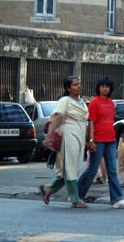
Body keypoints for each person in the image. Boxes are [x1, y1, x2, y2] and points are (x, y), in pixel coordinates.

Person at [77, 77, 124, 209]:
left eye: (107, 86)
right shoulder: (94, 102)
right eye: (102, 86)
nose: (105, 88)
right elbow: (90, 123)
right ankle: (76, 194)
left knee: (112, 170)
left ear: (110, 88)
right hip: (98, 140)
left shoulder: (111, 103)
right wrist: (90, 141)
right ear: (99, 87)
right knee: (92, 170)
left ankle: (117, 199)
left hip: (111, 140)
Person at [39, 76, 89, 208]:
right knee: (70, 168)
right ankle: (75, 199)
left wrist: (89, 141)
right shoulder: (65, 101)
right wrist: (49, 136)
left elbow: (85, 123)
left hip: (79, 138)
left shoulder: (82, 102)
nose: (79, 86)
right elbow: (57, 118)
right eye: (75, 85)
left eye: (79, 84)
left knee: (70, 169)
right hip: (68, 137)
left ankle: (49, 190)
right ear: (68, 88)